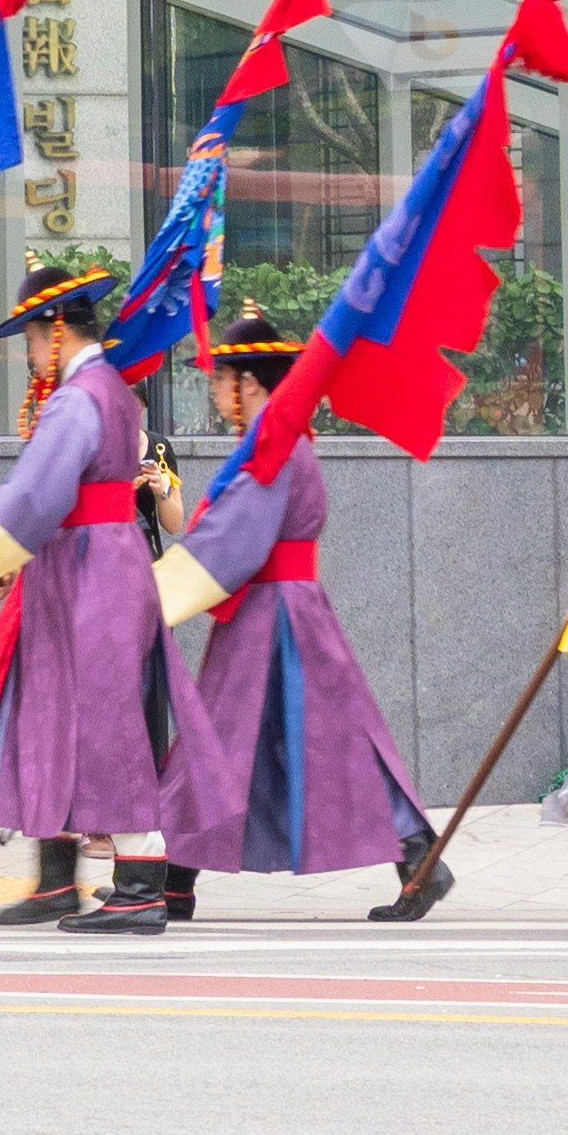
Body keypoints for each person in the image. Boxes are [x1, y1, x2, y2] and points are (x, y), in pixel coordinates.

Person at [0, 260, 223, 935]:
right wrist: (14, 557)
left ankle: (140, 882)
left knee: (103, 725)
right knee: (53, 717)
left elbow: (37, 489)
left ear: (55, 331)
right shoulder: (113, 391)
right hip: (89, 564)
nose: (31, 352)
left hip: (91, 573)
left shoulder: (77, 398)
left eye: (32, 339)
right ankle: (58, 878)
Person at [146, 309, 432, 913]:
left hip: (273, 616)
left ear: (249, 382)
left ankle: (169, 876)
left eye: (221, 379)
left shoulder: (276, 442)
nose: (218, 392)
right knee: (283, 743)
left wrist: (150, 599)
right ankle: (175, 873)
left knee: (227, 741)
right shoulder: (281, 435)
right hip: (279, 611)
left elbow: (233, 539)